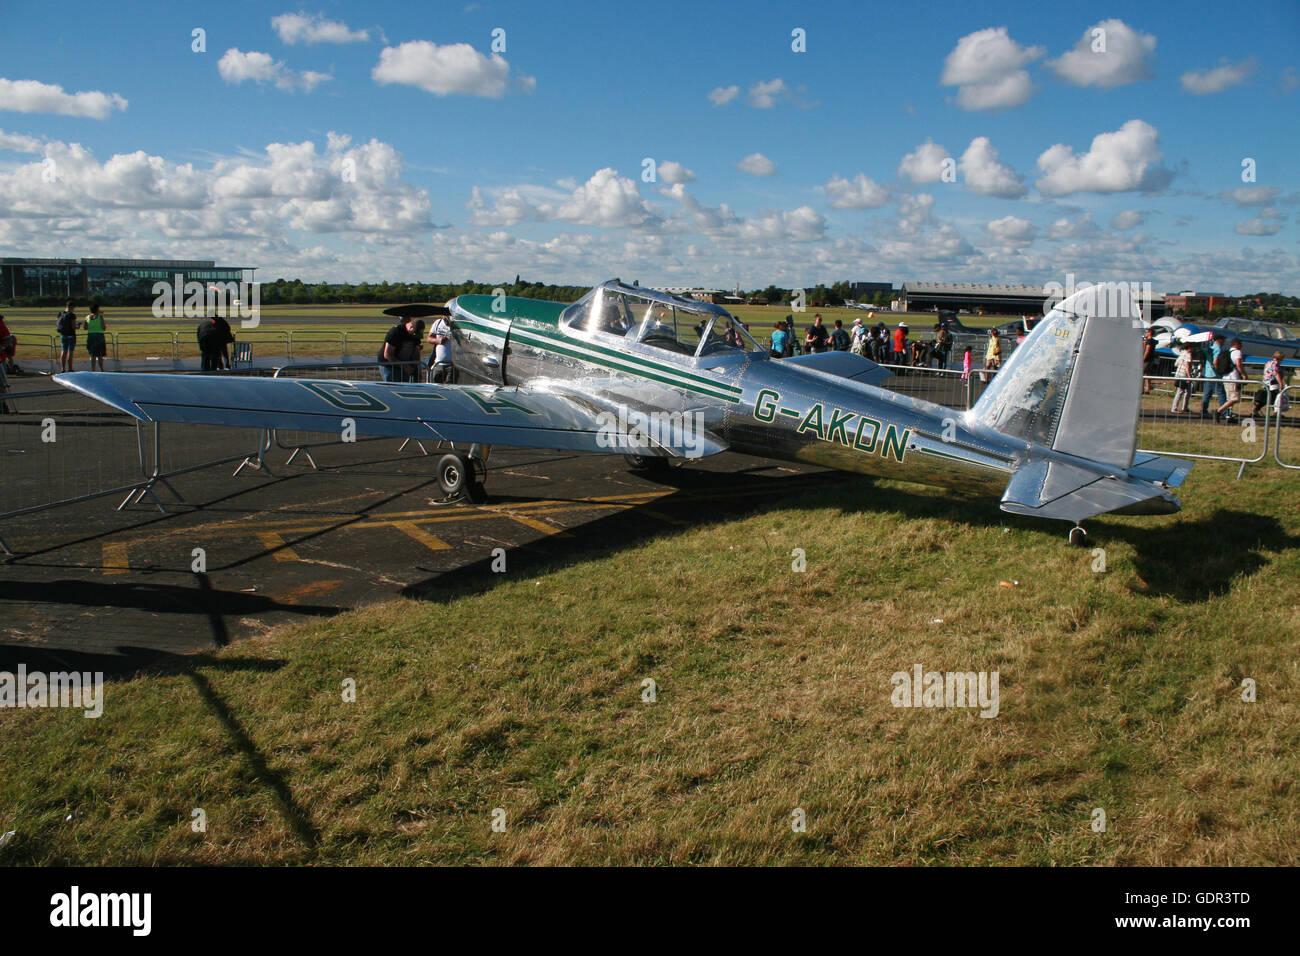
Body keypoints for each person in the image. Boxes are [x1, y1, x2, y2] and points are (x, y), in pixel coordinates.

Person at [1198, 333, 1229, 421]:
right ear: (1219, 340)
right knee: (1221, 393)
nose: (1224, 341)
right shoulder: (1218, 349)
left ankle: (1203, 410)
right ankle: (1224, 412)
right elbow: (1216, 361)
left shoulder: (1211, 348)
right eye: (1223, 340)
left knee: (1207, 393)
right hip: (1215, 375)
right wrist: (1219, 370)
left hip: (1208, 374)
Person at [1216, 337, 1245, 422]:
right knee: (1235, 398)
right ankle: (1219, 411)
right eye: (1240, 345)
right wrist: (1244, 374)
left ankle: (1229, 416)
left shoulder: (1227, 352)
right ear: (1237, 344)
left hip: (1225, 377)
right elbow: (1238, 364)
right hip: (1233, 378)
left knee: (1229, 399)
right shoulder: (1237, 352)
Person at [1252, 350, 1286, 418]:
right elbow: (1276, 374)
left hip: (1266, 382)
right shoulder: (1275, 364)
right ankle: (1276, 412)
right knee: (1273, 398)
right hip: (1271, 383)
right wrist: (1281, 383)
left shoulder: (1268, 363)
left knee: (1269, 398)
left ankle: (1275, 412)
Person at [426, 313, 455, 383]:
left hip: (452, 365)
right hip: (438, 363)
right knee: (436, 386)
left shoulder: (456, 325)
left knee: (450, 388)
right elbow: (429, 339)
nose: (447, 324)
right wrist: (437, 340)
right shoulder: (437, 323)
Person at [56, 300, 79, 373]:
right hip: (71, 335)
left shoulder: (60, 313)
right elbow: (73, 326)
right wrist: (77, 326)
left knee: (63, 351)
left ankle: (63, 368)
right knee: (70, 352)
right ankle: (70, 368)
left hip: (63, 335)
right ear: (72, 307)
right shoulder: (72, 315)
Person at [1170, 343, 1193, 414]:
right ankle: (1174, 408)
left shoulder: (1182, 354)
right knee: (1180, 392)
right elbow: (1187, 367)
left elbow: (1176, 364)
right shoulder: (1188, 355)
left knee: (1188, 391)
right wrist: (1190, 377)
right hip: (1184, 375)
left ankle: (1185, 407)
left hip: (1178, 373)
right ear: (1189, 348)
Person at [84, 303, 108, 372]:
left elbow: (85, 327)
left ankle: (93, 369)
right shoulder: (100, 317)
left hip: (91, 335)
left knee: (92, 354)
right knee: (100, 354)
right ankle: (101, 369)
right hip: (99, 335)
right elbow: (103, 327)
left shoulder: (87, 317)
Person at [1141, 328, 1157, 394]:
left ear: (1150, 333)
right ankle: (1147, 389)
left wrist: (1143, 359)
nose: (1145, 334)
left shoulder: (1149, 341)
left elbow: (1147, 350)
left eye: (1146, 332)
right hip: (1151, 359)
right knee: (1147, 375)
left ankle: (1141, 390)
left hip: (1147, 360)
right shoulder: (1153, 341)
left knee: (1142, 375)